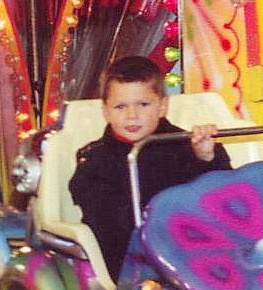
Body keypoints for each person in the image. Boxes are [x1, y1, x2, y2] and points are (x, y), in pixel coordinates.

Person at [69, 55, 230, 278]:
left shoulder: (185, 146)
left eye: (143, 104)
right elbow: (108, 226)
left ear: (162, 106)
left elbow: (224, 201)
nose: (132, 115)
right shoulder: (94, 161)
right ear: (105, 110)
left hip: (194, 254)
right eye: (120, 106)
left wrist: (206, 158)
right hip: (130, 265)